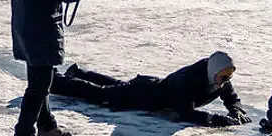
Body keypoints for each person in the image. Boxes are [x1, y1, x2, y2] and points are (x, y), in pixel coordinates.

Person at [6, 0, 96, 136]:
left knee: (40, 81)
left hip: (26, 29)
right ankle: (24, 133)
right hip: (41, 31)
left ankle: (47, 125)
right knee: (40, 85)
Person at [53, 52, 250, 127]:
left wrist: (237, 111)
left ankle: (78, 72)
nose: (226, 82)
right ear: (215, 71)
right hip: (145, 95)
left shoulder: (217, 78)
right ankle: (56, 82)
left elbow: (232, 98)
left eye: (228, 77)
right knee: (102, 95)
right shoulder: (190, 80)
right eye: (224, 77)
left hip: (150, 88)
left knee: (115, 86)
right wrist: (212, 119)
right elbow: (183, 111)